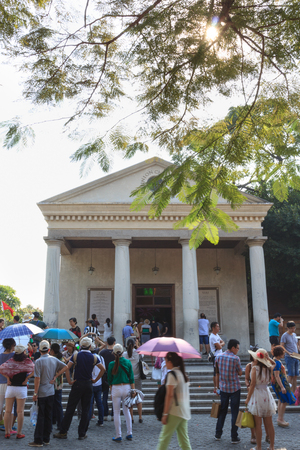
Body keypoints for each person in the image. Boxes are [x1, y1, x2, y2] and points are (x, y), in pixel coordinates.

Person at [54, 337, 105, 440]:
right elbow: (103, 369)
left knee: (70, 408)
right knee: (86, 410)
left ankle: (63, 431)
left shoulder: (76, 355)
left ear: (81, 345)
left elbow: (67, 368)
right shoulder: (94, 357)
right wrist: (95, 380)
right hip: (88, 384)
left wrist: (69, 381)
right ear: (90, 346)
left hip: (77, 384)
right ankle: (82, 433)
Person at [28, 340, 68, 447]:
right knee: (48, 415)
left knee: (41, 416)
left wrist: (35, 393)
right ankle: (46, 439)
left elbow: (37, 379)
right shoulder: (54, 359)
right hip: (51, 391)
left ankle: (38, 440)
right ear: (49, 350)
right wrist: (56, 376)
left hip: (41, 392)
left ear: (40, 350)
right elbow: (66, 366)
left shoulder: (38, 361)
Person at [156, 352, 192, 450]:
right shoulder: (182, 374)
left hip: (174, 411)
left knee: (164, 438)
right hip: (184, 410)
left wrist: (165, 414)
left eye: (166, 361)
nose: (165, 363)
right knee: (184, 440)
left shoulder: (172, 375)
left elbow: (169, 395)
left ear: (171, 362)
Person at [0, 344, 34, 439]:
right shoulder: (27, 361)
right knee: (20, 411)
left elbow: (1, 368)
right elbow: (35, 369)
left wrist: (7, 378)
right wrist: (27, 378)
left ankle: (7, 432)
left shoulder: (11, 360)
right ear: (24, 351)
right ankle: (19, 433)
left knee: (7, 410)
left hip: (11, 387)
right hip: (21, 388)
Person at [246, 348, 277, 450]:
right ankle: (271, 446)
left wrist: (247, 398)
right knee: (270, 424)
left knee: (258, 425)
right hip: (267, 395)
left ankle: (259, 447)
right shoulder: (269, 368)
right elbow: (274, 364)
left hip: (257, 395)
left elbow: (252, 385)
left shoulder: (255, 368)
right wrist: (269, 359)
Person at [214, 339, 242, 444]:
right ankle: (234, 436)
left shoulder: (218, 357)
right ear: (233, 348)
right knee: (234, 412)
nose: (238, 350)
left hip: (223, 388)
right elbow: (240, 373)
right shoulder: (236, 359)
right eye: (237, 348)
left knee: (222, 411)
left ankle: (218, 434)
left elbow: (217, 373)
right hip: (234, 388)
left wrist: (216, 387)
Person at [107, 343, 135, 442]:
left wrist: (111, 391)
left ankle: (118, 435)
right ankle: (129, 433)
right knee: (127, 411)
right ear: (123, 352)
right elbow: (131, 378)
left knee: (116, 412)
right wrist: (133, 390)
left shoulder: (111, 364)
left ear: (113, 353)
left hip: (116, 388)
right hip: (126, 387)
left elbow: (109, 379)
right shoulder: (128, 362)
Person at [271, 345, 296, 428]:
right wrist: (282, 387)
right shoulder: (277, 362)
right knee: (284, 401)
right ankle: (280, 419)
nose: (284, 354)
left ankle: (280, 418)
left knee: (281, 400)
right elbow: (277, 376)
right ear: (279, 353)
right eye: (283, 353)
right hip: (280, 384)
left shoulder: (275, 360)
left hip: (279, 383)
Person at [123, 339, 143, 423]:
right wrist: (138, 345)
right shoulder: (138, 353)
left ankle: (131, 418)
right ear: (134, 344)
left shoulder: (124, 354)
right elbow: (142, 356)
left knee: (130, 398)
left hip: (128, 378)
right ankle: (140, 417)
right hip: (137, 377)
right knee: (138, 397)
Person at [0, 338, 16, 432]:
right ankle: (9, 427)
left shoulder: (0, 356)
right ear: (11, 346)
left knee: (0, 405)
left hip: (0, 382)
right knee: (10, 407)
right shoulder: (14, 356)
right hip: (10, 383)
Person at [87, 343, 105, 427]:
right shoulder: (101, 357)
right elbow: (103, 369)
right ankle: (101, 420)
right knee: (99, 402)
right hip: (99, 383)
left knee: (90, 403)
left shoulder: (89, 357)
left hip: (91, 382)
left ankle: (88, 421)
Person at [280, 321, 300, 393]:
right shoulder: (284, 335)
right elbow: (281, 346)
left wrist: (298, 349)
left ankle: (294, 393)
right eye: (291, 328)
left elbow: (296, 344)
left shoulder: (294, 334)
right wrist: (288, 352)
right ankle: (288, 392)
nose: (293, 330)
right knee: (291, 375)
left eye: (294, 328)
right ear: (287, 328)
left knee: (295, 376)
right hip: (289, 357)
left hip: (296, 357)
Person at [100, 336, 116, 421]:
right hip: (114, 376)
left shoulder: (102, 352)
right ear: (114, 343)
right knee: (114, 396)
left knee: (104, 396)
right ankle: (113, 414)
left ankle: (105, 414)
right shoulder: (116, 353)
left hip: (104, 376)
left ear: (106, 343)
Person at [50, 343, 64, 431]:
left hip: (53, 383)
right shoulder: (61, 358)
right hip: (59, 384)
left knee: (54, 403)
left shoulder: (53, 359)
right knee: (58, 403)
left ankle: (56, 422)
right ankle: (58, 422)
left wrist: (55, 375)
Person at [209, 322, 225, 389]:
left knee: (219, 371)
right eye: (217, 326)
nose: (219, 328)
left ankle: (218, 386)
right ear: (213, 328)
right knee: (216, 372)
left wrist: (219, 345)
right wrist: (220, 345)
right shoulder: (212, 337)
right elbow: (220, 346)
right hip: (216, 356)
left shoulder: (217, 335)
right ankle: (216, 386)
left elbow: (223, 343)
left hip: (220, 355)